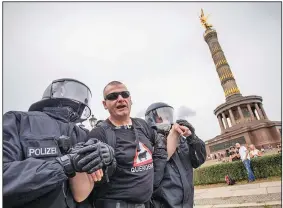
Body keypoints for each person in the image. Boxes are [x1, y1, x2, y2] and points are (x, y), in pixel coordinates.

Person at [3, 78, 108, 208]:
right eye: (74, 92)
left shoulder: (83, 134)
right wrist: (64, 165)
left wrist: (107, 160)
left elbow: (89, 188)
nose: (79, 99)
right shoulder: (19, 121)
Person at [71, 81, 168, 208]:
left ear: (130, 100)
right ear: (105, 104)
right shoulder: (99, 134)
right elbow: (80, 195)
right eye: (113, 96)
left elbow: (162, 153)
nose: (120, 99)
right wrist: (75, 161)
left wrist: (178, 134)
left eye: (124, 94)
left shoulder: (142, 125)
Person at [145, 102, 207, 208]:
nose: (165, 119)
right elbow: (151, 178)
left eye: (168, 116)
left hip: (187, 203)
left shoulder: (181, 140)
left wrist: (192, 137)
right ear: (151, 120)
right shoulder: (149, 142)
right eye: (160, 117)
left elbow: (197, 161)